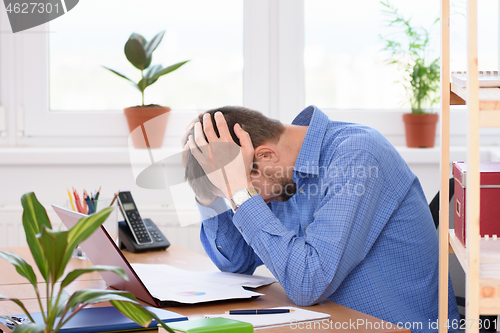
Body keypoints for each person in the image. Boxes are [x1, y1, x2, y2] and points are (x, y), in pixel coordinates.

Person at [181, 105, 460, 331]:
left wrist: (241, 193)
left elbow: (308, 283)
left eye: (238, 188)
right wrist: (206, 193)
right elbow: (237, 263)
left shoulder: (357, 155)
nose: (249, 200)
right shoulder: (281, 174)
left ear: (265, 155)